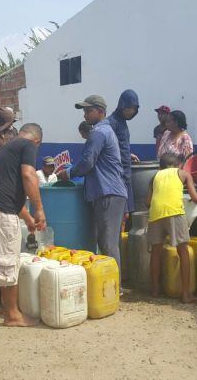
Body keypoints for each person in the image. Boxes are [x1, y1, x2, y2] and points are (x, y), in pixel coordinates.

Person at [0, 123, 46, 327]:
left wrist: (27, 218)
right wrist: (38, 208)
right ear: (37, 141)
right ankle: (13, 315)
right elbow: (28, 175)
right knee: (7, 261)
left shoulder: (5, 149)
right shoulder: (28, 146)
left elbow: (6, 191)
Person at [57, 95, 127, 269]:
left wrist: (67, 173)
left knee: (108, 244)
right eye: (84, 111)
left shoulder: (98, 133)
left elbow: (87, 162)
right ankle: (110, 285)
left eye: (89, 111)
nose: (85, 115)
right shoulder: (105, 131)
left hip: (108, 192)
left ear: (101, 112)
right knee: (106, 242)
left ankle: (113, 288)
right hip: (109, 192)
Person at [147, 153, 197, 303]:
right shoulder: (183, 173)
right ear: (178, 164)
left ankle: (155, 289)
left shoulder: (154, 176)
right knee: (183, 251)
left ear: (161, 166)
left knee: (156, 251)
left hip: (156, 213)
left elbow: (147, 201)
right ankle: (186, 294)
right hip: (175, 212)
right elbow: (195, 197)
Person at [98, 89, 140, 213]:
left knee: (126, 213)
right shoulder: (112, 122)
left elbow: (119, 144)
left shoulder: (122, 122)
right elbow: (108, 147)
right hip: (118, 175)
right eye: (129, 108)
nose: (131, 111)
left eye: (134, 109)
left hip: (126, 173)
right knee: (121, 213)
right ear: (122, 105)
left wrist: (128, 154)